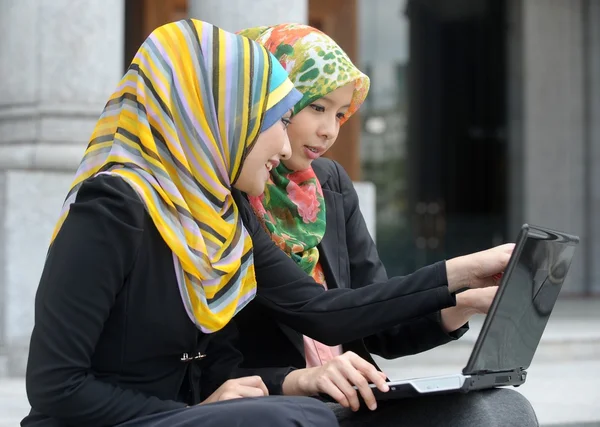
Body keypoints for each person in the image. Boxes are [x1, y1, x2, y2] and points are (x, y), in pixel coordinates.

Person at [22, 19, 513, 427]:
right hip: (130, 420)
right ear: (220, 115)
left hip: (198, 414)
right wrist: (192, 411)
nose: (285, 147)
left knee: (496, 409)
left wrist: (463, 281)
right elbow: (55, 387)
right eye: (277, 121)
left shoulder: (222, 215)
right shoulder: (111, 207)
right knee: (298, 420)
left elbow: (320, 314)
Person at [235, 23, 539, 426]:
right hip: (279, 406)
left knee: (501, 406)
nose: (329, 130)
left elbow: (377, 319)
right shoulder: (232, 195)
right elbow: (317, 314)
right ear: (270, 102)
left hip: (359, 400)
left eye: (341, 114)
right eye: (316, 107)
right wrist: (296, 380)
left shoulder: (329, 184)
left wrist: (460, 304)